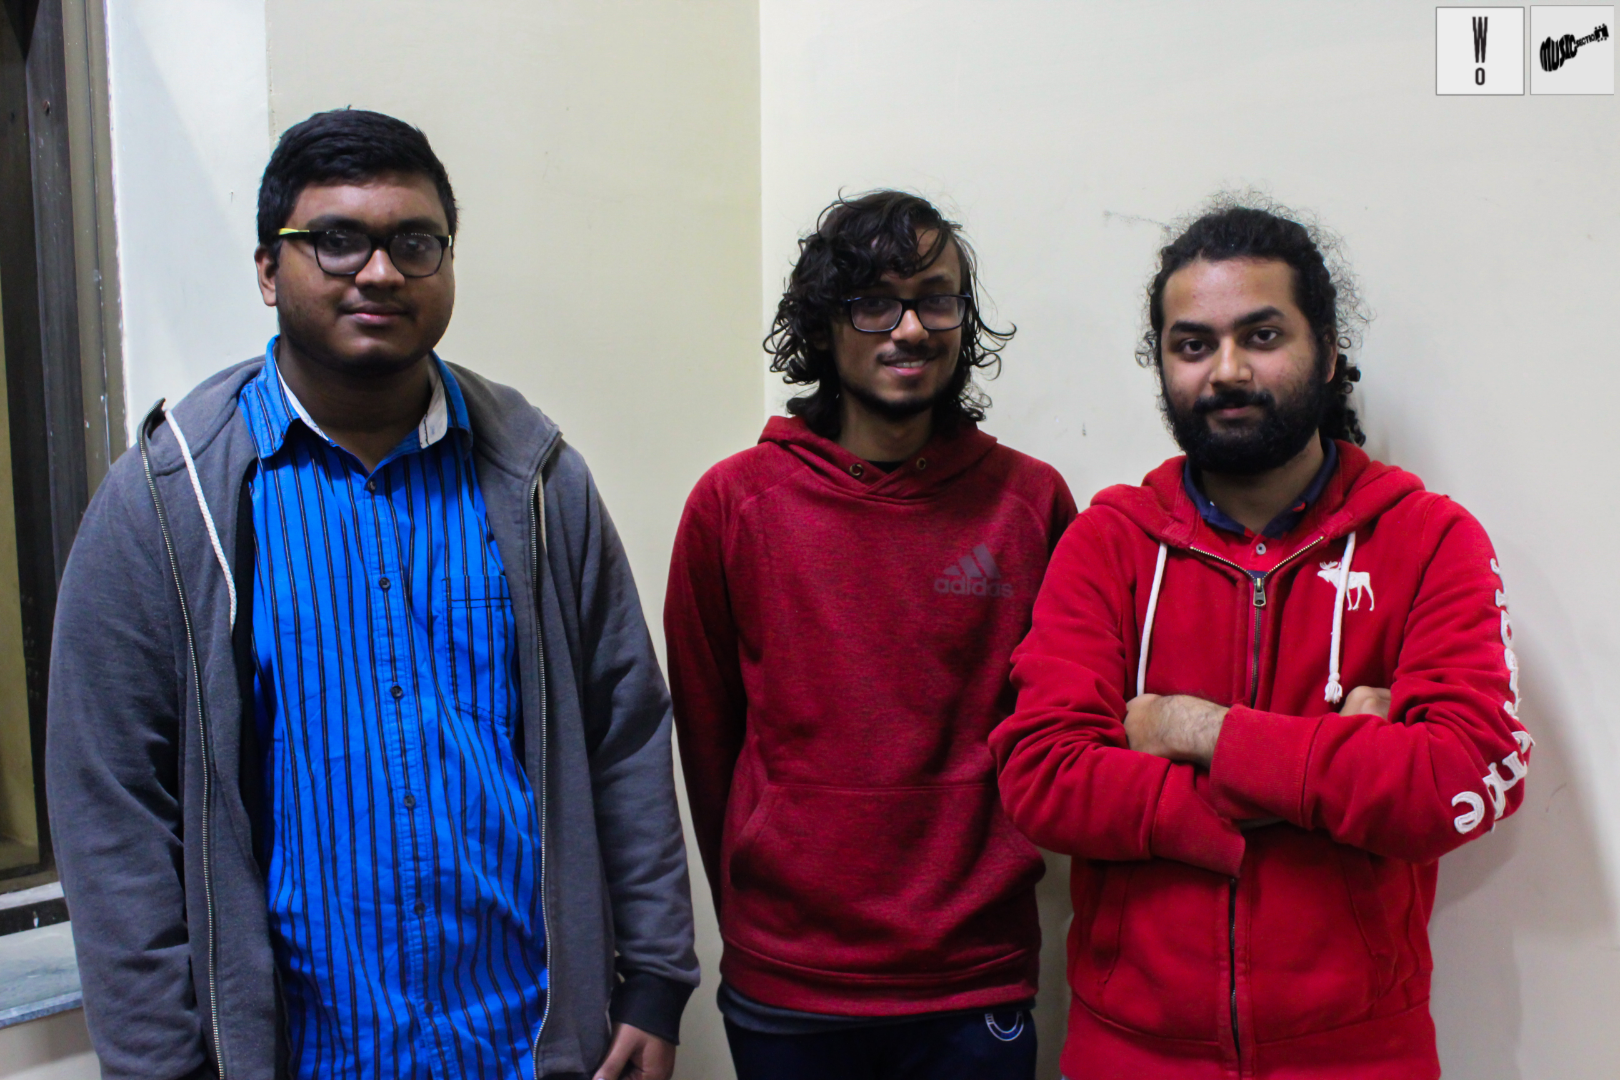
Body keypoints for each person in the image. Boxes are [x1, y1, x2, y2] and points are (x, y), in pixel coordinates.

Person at [46, 108, 697, 1080]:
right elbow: (112, 809)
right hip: (301, 1055)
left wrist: (653, 979)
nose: (381, 271)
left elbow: (625, 733)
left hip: (526, 1043)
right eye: (337, 240)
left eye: (415, 242)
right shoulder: (168, 503)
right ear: (268, 269)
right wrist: (157, 1065)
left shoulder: (536, 482)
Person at [992, 201, 1532, 1080]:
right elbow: (1042, 778)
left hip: (1361, 1056)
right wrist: (1338, 763)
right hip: (1132, 1052)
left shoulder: (1430, 539)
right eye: (1193, 344)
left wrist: (1191, 729)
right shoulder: (1107, 542)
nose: (1228, 370)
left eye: (1263, 335)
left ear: (1328, 350)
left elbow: (1463, 778)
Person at [665, 190, 1076, 1080]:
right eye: (874, 303)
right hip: (789, 980)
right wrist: (752, 919)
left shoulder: (1031, 503)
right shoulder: (733, 505)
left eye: (936, 300)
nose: (911, 328)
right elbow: (707, 740)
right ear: (823, 324)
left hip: (974, 974)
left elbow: (1061, 725)